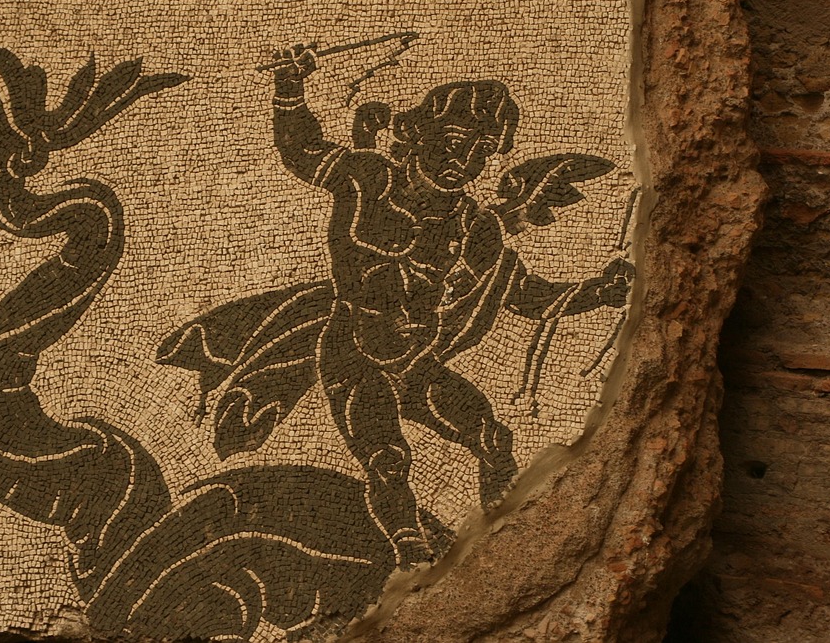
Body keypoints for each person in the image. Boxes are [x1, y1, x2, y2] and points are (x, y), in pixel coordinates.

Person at [268, 45, 633, 565]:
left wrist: (600, 290)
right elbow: (302, 152)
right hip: (355, 356)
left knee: (491, 437)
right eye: (455, 142)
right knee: (389, 459)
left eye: (482, 151)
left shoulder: (475, 227)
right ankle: (409, 553)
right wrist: (289, 88)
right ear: (419, 135)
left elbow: (526, 297)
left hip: (416, 364)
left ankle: (505, 535)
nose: (464, 162)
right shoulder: (369, 180)